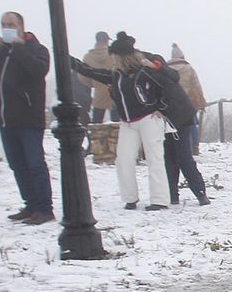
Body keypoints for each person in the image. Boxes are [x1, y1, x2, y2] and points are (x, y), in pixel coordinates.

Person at [69, 32, 173, 210]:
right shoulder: (116, 75)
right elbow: (90, 71)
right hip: (128, 122)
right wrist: (67, 58)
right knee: (123, 159)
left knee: (155, 159)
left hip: (150, 118)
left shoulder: (145, 71)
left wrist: (161, 108)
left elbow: (168, 85)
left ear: (121, 57)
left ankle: (159, 200)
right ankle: (130, 198)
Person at [0, 11, 54, 225]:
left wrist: (19, 49)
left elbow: (38, 70)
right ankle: (31, 204)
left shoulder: (36, 49)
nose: (7, 27)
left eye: (11, 24)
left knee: (35, 164)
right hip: (6, 119)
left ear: (21, 27)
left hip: (29, 118)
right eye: (3, 24)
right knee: (17, 164)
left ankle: (44, 208)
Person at [145, 50, 210, 206]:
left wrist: (158, 108)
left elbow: (167, 97)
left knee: (173, 157)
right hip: (182, 114)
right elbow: (196, 86)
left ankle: (175, 194)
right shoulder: (179, 71)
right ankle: (199, 193)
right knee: (181, 156)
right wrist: (200, 103)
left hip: (175, 116)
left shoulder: (160, 76)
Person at [167, 44, 207, 154]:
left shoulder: (166, 69)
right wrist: (201, 101)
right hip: (187, 101)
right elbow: (196, 85)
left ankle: (173, 148)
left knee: (171, 125)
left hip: (170, 101)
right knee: (191, 123)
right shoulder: (188, 68)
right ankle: (194, 147)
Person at [78, 32, 116, 124]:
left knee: (96, 124)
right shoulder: (114, 54)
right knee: (117, 125)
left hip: (98, 93)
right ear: (107, 41)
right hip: (115, 92)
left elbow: (83, 76)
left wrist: (94, 84)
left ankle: (95, 137)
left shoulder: (88, 57)